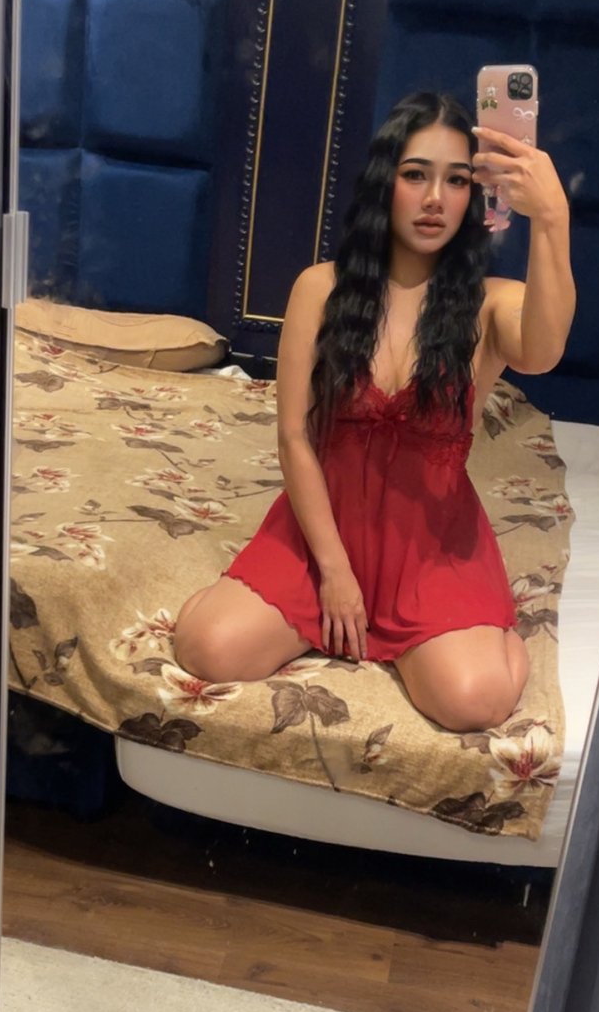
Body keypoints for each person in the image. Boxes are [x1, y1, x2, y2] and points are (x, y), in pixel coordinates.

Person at [174, 90, 575, 733]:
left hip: (433, 548)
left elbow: (544, 352)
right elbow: (295, 438)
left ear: (475, 196)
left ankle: (480, 630)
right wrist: (335, 573)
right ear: (386, 181)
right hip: (322, 532)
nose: (435, 198)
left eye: (457, 180)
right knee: (206, 649)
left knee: (475, 702)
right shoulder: (320, 288)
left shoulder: (490, 304)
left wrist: (552, 217)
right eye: (416, 175)